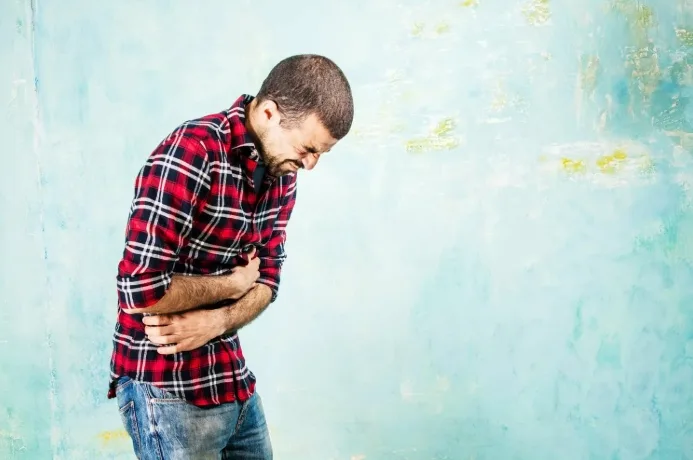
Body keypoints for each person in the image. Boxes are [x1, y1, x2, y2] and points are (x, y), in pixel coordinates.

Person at [108, 54, 354, 459]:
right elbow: (141, 289)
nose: (310, 165)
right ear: (270, 113)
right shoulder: (191, 152)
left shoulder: (282, 173)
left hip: (230, 379)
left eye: (320, 154)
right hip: (167, 387)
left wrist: (218, 321)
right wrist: (232, 285)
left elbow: (269, 279)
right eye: (308, 148)